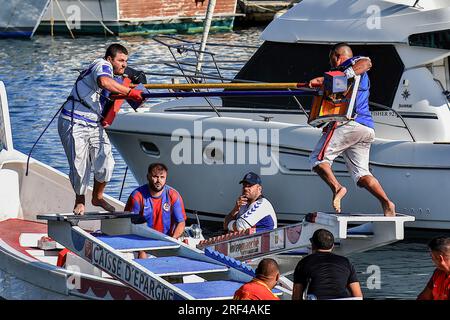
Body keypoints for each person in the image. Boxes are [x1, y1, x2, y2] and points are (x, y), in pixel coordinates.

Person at [308, 42, 396, 216]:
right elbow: (331, 87)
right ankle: (387, 203)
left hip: (351, 125)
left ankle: (337, 187)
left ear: (337, 55)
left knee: (317, 160)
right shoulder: (345, 77)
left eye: (331, 58)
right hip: (366, 128)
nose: (331, 62)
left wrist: (344, 73)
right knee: (362, 176)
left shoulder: (351, 64)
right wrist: (318, 82)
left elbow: (367, 62)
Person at [58, 43, 144, 215]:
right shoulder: (101, 65)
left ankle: (97, 197)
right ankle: (80, 200)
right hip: (74, 121)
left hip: (93, 123)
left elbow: (112, 88)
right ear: (110, 59)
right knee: (79, 165)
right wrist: (129, 92)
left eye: (126, 61)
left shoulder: (115, 75)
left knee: (107, 163)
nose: (124, 64)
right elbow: (104, 82)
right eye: (120, 60)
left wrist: (133, 90)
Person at [125, 163, 186, 258]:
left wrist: (172, 241)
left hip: (166, 241)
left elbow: (181, 223)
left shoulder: (173, 195)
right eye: (155, 177)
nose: (159, 181)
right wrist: (141, 249)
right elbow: (129, 225)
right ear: (148, 177)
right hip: (143, 242)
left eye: (162, 177)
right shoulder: (137, 196)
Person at [292, 229, 363, 300]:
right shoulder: (346, 262)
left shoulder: (304, 262)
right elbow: (358, 295)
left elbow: (296, 296)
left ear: (313, 245)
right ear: (333, 246)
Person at [417, 236, 450, 300]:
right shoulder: (438, 272)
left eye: (432, 256)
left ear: (440, 258)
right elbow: (423, 297)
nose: (432, 259)